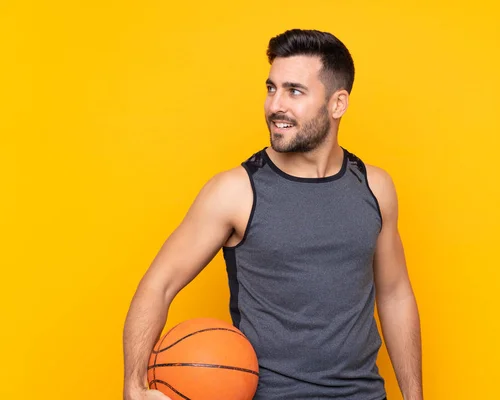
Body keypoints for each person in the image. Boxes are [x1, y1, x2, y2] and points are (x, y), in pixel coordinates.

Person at [123, 29, 423, 400]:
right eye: (271, 89)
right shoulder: (235, 191)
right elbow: (159, 284)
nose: (275, 105)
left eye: (294, 91)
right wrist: (134, 387)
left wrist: (414, 396)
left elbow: (395, 294)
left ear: (337, 103)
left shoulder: (375, 187)